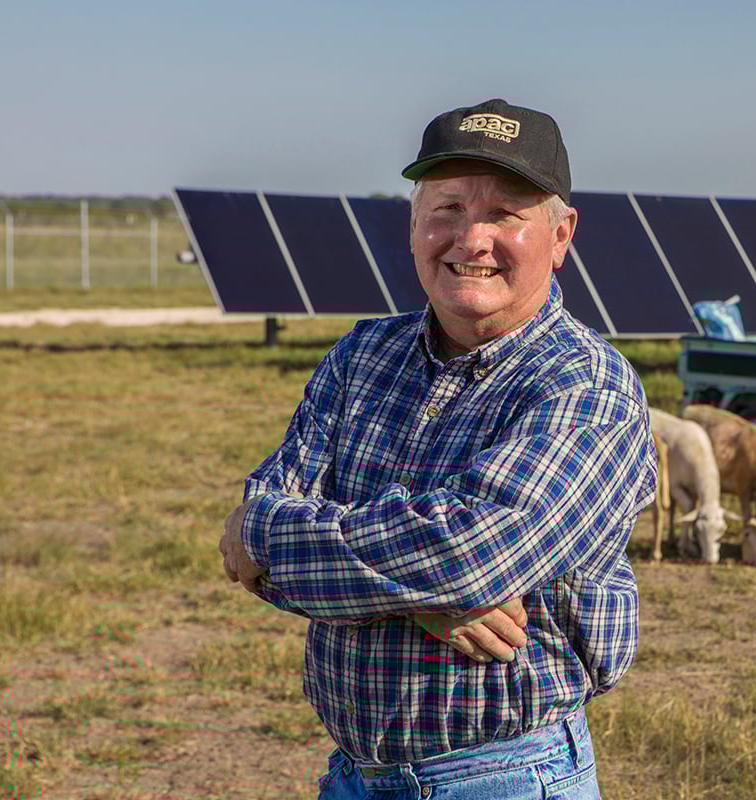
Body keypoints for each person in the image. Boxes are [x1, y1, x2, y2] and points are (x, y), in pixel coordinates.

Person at [218, 98, 655, 799]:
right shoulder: (364, 355)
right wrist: (426, 596)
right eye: (447, 207)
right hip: (354, 775)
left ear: (561, 233)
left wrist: (273, 540)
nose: (471, 238)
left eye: (506, 213)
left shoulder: (586, 385)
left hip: (503, 776)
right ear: (414, 222)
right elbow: (263, 511)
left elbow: (471, 551)